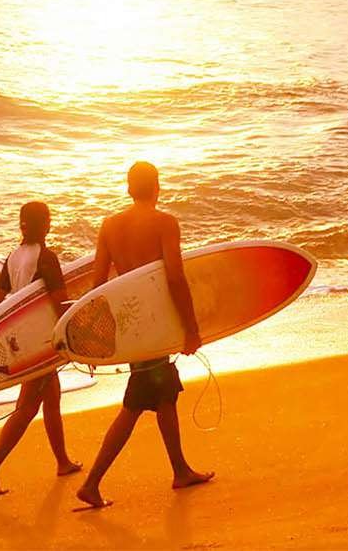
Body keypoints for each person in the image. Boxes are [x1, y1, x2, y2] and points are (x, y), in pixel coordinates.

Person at [75, 162, 214, 508]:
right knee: (136, 403)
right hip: (155, 322)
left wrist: (91, 338)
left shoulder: (109, 226)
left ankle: (180, 470)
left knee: (164, 394)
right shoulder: (164, 223)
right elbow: (175, 277)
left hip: (129, 323)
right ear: (157, 188)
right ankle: (92, 483)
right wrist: (191, 328)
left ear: (128, 188)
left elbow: (97, 285)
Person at [0, 202, 83, 494]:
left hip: (20, 337)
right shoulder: (47, 257)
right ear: (44, 224)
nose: (50, 224)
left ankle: (63, 461)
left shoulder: (14, 257)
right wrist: (75, 330)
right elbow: (58, 300)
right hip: (40, 340)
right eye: (48, 219)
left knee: (51, 397)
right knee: (28, 406)